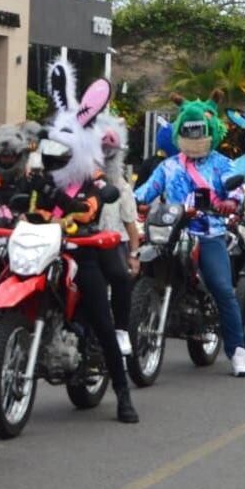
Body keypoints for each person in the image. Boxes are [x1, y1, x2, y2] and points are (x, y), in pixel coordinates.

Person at [27, 60, 139, 422]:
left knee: (103, 321)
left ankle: (123, 394)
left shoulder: (93, 178)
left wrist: (60, 200)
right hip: (41, 251)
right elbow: (23, 207)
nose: (55, 155)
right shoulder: (39, 178)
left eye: (63, 149)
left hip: (81, 254)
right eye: (52, 148)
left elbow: (88, 209)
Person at [134, 95, 245, 377]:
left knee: (223, 289)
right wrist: (129, 201)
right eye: (188, 130)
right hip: (169, 232)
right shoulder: (168, 166)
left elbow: (237, 188)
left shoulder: (223, 164)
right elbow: (145, 191)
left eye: (199, 130)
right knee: (135, 273)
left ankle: (238, 352)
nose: (194, 136)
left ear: (209, 131)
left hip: (208, 233)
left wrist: (231, 201)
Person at [97, 116, 141, 357]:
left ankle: (121, 330)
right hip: (82, 242)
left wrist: (133, 255)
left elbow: (130, 224)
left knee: (120, 278)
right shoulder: (78, 179)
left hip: (114, 244)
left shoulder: (122, 187)